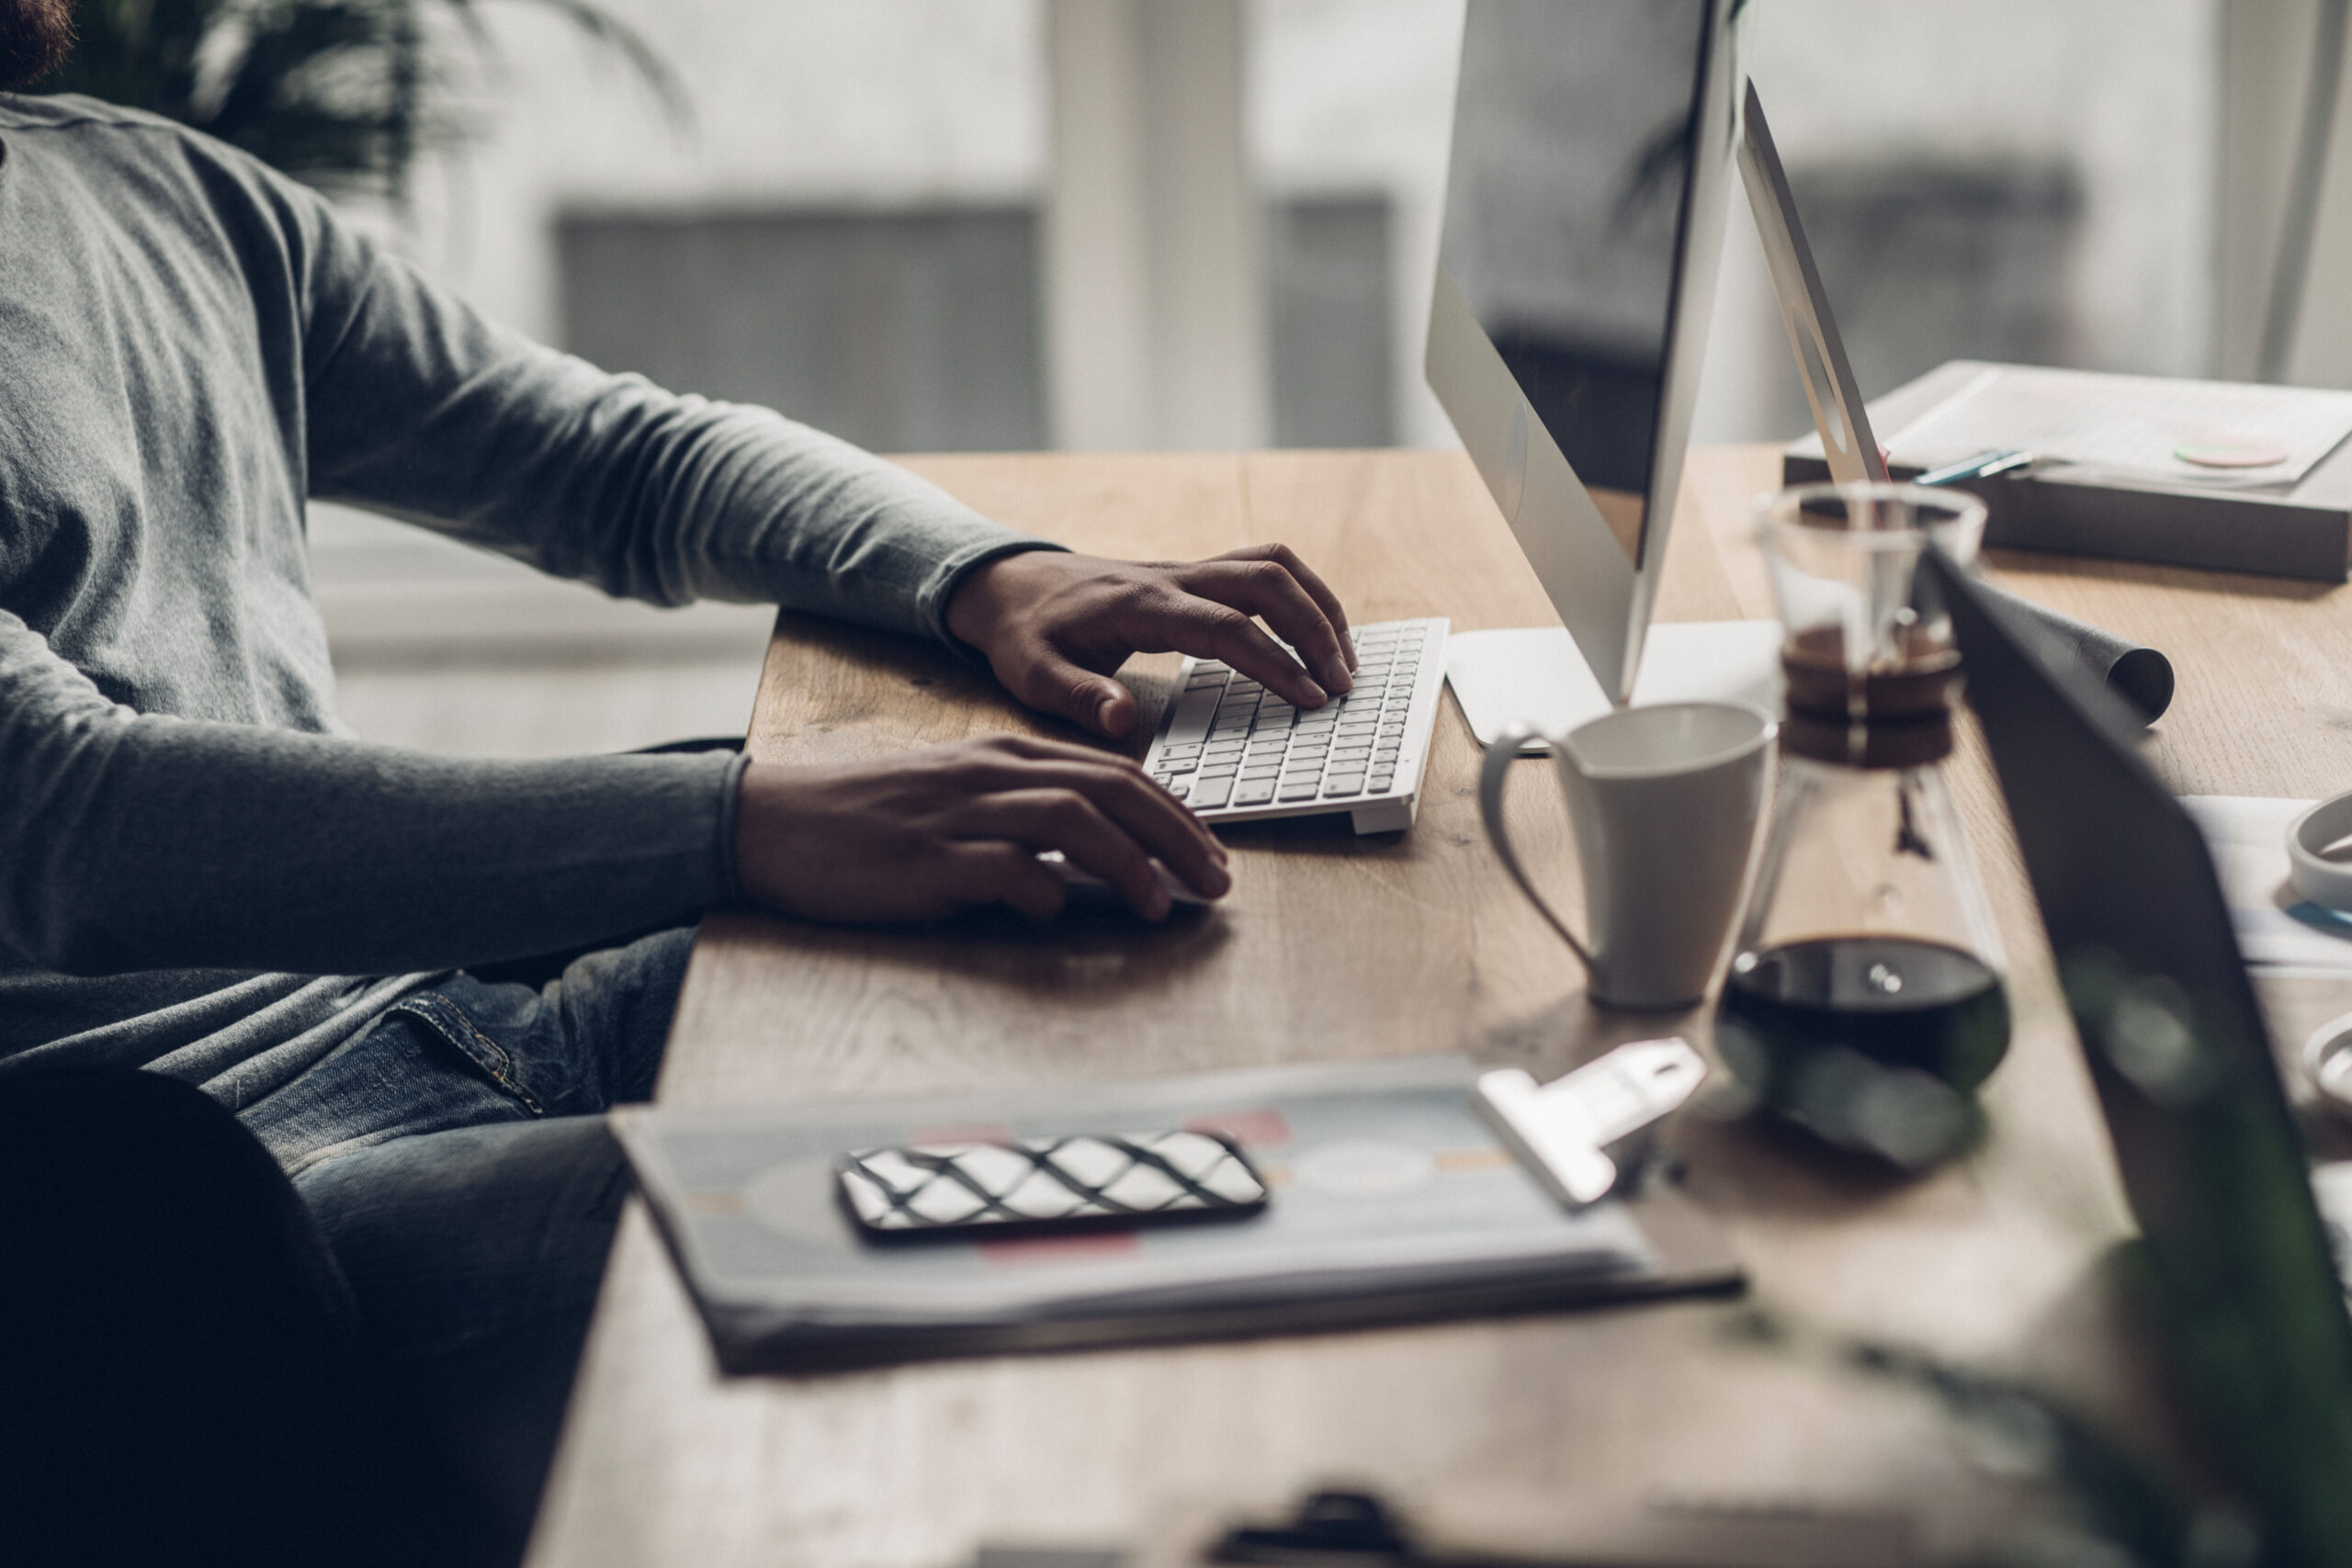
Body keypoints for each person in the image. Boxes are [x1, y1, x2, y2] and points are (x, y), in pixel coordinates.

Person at [0, 2, 1360, 1558]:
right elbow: (72, 825)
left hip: (456, 1013)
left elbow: (608, 459)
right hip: (206, 1235)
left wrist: (989, 574)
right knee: (1053, 1265)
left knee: (1175, 1005)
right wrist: (739, 825)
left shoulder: (152, 189)